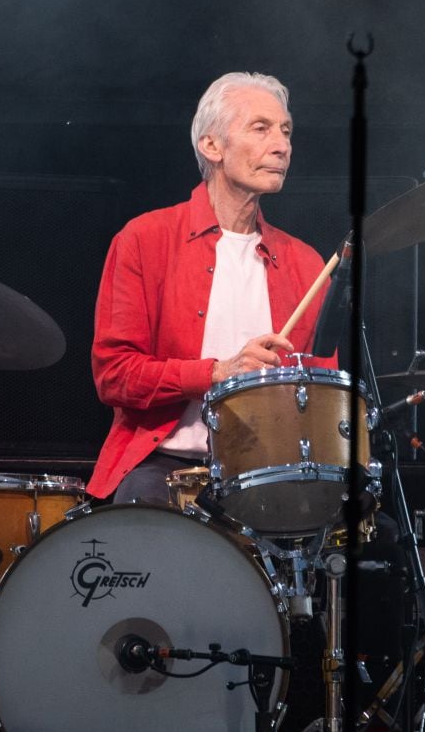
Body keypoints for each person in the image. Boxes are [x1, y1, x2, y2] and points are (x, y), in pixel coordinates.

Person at [86, 71, 336, 504]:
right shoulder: (145, 239)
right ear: (212, 145)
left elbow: (320, 391)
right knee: (142, 508)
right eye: (260, 129)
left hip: (270, 470)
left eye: (285, 131)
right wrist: (218, 372)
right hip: (166, 464)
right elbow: (115, 375)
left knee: (369, 537)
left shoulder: (307, 263)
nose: (281, 145)